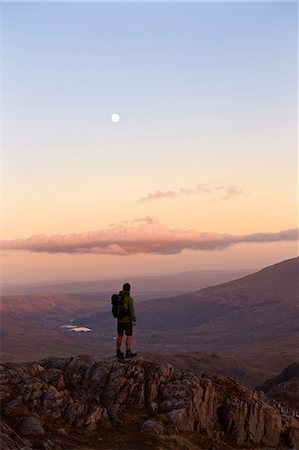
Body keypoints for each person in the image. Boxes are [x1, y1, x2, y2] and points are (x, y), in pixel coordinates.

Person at [116, 282, 137, 360]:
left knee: (120, 335)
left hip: (119, 320)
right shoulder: (129, 298)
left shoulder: (118, 297)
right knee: (129, 335)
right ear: (129, 289)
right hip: (127, 320)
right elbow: (131, 310)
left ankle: (118, 351)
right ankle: (128, 352)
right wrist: (134, 319)